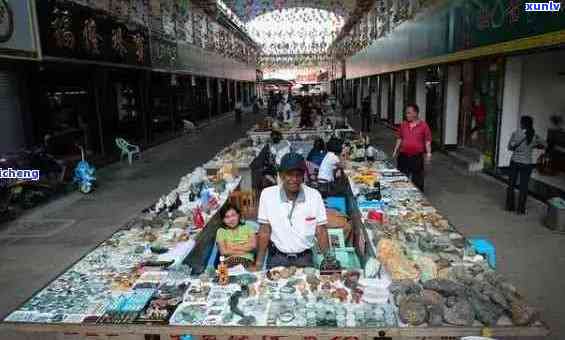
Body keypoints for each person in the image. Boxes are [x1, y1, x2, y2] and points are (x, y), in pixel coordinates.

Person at [255, 153, 329, 269]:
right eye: (289, 174)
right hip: (277, 258)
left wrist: (329, 260)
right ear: (281, 175)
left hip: (305, 259)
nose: (294, 179)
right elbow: (264, 231)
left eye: (298, 175)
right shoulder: (267, 195)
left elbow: (321, 231)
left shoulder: (314, 196)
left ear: (303, 176)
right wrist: (259, 264)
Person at [506, 116, 545, 214]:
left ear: (522, 123)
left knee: (511, 185)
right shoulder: (534, 135)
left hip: (515, 162)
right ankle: (520, 210)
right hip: (527, 164)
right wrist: (535, 145)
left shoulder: (516, 133)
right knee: (523, 187)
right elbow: (545, 145)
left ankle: (510, 207)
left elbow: (510, 147)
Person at [392, 104, 432, 191]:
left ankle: (419, 199)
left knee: (418, 181)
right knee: (401, 178)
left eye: (409, 113)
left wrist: (429, 154)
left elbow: (427, 141)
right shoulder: (403, 125)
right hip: (403, 156)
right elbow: (399, 138)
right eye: (406, 113)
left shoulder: (424, 126)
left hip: (416, 157)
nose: (407, 115)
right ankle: (401, 195)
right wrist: (395, 150)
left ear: (416, 113)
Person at [216, 203, 256, 268]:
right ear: (223, 220)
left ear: (238, 215)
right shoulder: (221, 231)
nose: (231, 219)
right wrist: (244, 248)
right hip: (229, 261)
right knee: (224, 274)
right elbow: (223, 252)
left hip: (247, 259)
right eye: (227, 217)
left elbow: (253, 246)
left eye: (233, 215)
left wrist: (232, 247)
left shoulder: (248, 227)